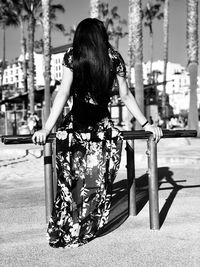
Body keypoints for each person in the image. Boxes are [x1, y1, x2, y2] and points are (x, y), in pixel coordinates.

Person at [32, 18, 163, 248]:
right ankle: (86, 224)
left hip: (75, 128)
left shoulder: (74, 56)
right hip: (102, 130)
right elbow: (126, 96)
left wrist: (47, 127)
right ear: (101, 35)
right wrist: (145, 124)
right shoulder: (113, 57)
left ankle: (71, 225)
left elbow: (63, 94)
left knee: (71, 181)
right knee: (96, 182)